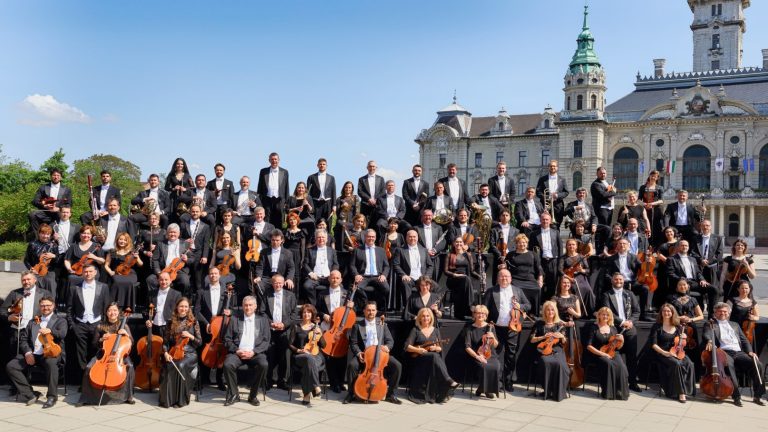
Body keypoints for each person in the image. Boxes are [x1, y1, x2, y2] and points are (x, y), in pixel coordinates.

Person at [5, 295, 67, 408]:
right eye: (43, 305)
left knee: (51, 363)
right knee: (11, 366)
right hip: (33, 353)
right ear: (39, 307)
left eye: (48, 305)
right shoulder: (33, 321)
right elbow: (23, 339)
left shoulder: (60, 320)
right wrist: (28, 353)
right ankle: (30, 394)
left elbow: (62, 334)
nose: (45, 308)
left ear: (53, 306)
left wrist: (51, 331)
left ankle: (52, 396)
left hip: (50, 353)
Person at [703, 302, 766, 406]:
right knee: (729, 367)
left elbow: (744, 340)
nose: (722, 313)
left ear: (728, 313)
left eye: (725, 311)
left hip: (739, 352)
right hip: (724, 352)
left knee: (757, 364)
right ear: (715, 313)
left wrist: (750, 351)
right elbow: (707, 333)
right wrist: (709, 341)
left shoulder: (734, 324)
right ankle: (736, 396)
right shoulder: (711, 324)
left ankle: (757, 396)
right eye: (720, 311)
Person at [343, 301, 402, 404]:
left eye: (373, 310)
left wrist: (387, 347)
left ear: (376, 311)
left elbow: (390, 341)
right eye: (369, 310)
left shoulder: (382, 324)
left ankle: (390, 394)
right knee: (352, 366)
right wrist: (358, 353)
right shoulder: (357, 325)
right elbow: (353, 343)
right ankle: (351, 393)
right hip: (365, 355)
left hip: (381, 356)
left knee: (397, 366)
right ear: (364, 311)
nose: (371, 312)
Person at [77, 302, 135, 406]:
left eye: (115, 310)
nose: (112, 312)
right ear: (106, 313)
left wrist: (126, 334)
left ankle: (128, 396)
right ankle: (85, 397)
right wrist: (101, 339)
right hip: (103, 354)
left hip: (120, 355)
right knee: (89, 367)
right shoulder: (100, 326)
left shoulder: (124, 325)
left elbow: (131, 342)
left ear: (119, 312)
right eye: (110, 310)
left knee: (130, 366)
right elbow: (94, 344)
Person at [483, 269, 531, 392]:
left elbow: (528, 305)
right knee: (496, 355)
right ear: (498, 278)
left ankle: (508, 381)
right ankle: (497, 382)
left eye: (507, 276)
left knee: (511, 355)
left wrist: (521, 307)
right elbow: (484, 308)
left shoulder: (517, 290)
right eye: (502, 276)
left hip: (512, 328)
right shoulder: (491, 291)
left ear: (511, 278)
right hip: (496, 328)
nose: (504, 278)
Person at [67, 264, 112, 385]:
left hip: (97, 324)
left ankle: (95, 379)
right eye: (85, 271)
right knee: (80, 354)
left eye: (90, 271)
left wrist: (104, 326)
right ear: (82, 273)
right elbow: (69, 309)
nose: (88, 274)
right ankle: (84, 382)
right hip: (80, 324)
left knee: (96, 352)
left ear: (96, 273)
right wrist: (73, 325)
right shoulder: (74, 288)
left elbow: (106, 308)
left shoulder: (104, 287)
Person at [222, 296, 270, 406]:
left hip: (255, 353)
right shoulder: (234, 319)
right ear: (242, 307)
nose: (248, 307)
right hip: (238, 353)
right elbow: (227, 339)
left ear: (255, 306)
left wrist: (254, 352)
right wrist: (237, 350)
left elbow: (266, 341)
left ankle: (252, 395)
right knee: (227, 364)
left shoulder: (262, 320)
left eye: (250, 305)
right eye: (245, 305)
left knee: (264, 364)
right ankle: (234, 394)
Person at [403, 308, 458, 404]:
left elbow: (440, 348)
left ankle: (443, 388)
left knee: (434, 356)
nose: (425, 318)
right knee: (434, 357)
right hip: (420, 359)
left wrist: (436, 348)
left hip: (432, 359)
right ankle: (448, 380)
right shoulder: (415, 330)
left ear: (431, 317)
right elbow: (407, 347)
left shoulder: (435, 330)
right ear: (419, 318)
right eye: (423, 316)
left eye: (428, 316)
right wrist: (418, 350)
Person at [600, 273, 642, 392]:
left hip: (629, 327)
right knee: (612, 354)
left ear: (623, 281)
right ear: (612, 281)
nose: (618, 281)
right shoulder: (606, 294)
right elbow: (608, 312)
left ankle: (632, 382)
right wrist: (622, 321)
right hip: (614, 327)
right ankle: (615, 382)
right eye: (616, 279)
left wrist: (630, 322)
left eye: (620, 279)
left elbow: (637, 311)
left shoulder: (630, 294)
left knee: (632, 356)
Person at [195, 266, 233, 390]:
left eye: (215, 273)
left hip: (221, 326)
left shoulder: (226, 291)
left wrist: (229, 312)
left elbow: (232, 309)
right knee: (204, 353)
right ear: (208, 276)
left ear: (219, 275)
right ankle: (203, 379)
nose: (213, 276)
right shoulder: (201, 291)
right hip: (206, 326)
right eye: (211, 274)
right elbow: (197, 311)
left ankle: (219, 380)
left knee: (221, 352)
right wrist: (206, 323)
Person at [159, 297, 202, 408]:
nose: (183, 309)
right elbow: (165, 342)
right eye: (181, 306)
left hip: (190, 354)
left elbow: (199, 342)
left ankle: (181, 399)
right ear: (177, 307)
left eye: (186, 306)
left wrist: (191, 336)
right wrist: (165, 353)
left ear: (189, 308)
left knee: (181, 365)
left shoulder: (194, 322)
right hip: (174, 352)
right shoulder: (170, 322)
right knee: (169, 365)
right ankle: (168, 399)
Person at [648, 303, 696, 403]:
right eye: (664, 311)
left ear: (672, 313)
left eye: (669, 311)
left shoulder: (678, 326)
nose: (666, 313)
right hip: (662, 352)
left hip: (677, 351)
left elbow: (681, 343)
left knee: (690, 364)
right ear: (661, 313)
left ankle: (688, 391)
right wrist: (664, 353)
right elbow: (653, 344)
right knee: (677, 364)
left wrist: (685, 338)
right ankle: (680, 392)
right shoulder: (657, 327)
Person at [316, 270, 354, 393]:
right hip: (328, 327)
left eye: (337, 278)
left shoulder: (347, 294)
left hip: (341, 329)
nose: (335, 280)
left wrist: (352, 306)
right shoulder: (322, 293)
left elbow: (353, 311)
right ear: (329, 279)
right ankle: (333, 383)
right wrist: (323, 315)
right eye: (333, 278)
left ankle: (341, 382)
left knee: (342, 355)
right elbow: (316, 310)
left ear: (341, 280)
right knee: (330, 356)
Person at [585, 306, 629, 400]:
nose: (605, 316)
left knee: (621, 366)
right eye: (603, 314)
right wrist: (603, 354)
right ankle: (608, 393)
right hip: (598, 353)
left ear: (610, 317)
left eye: (607, 315)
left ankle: (620, 393)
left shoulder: (613, 328)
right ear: (599, 315)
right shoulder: (594, 327)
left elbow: (618, 346)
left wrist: (622, 341)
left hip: (613, 352)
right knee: (609, 364)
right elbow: (589, 346)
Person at [529, 301, 570, 401]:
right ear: (545, 312)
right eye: (548, 310)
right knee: (546, 362)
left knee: (560, 364)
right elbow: (532, 339)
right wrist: (543, 336)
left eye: (552, 310)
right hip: (543, 349)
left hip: (557, 349)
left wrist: (562, 337)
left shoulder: (560, 324)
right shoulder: (539, 323)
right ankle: (547, 390)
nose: (550, 312)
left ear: (555, 311)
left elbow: (564, 342)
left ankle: (558, 391)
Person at [603, 238, 652, 321]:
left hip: (632, 282)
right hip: (618, 283)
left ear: (629, 246)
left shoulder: (634, 257)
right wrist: (614, 280)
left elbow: (643, 269)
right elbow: (606, 274)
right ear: (617, 246)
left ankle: (643, 314)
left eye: (624, 244)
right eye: (620, 244)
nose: (622, 245)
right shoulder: (611, 259)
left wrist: (647, 263)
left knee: (645, 288)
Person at [288, 304, 326, 406]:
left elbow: (323, 345)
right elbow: (290, 344)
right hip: (300, 355)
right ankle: (316, 386)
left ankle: (307, 395)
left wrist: (320, 334)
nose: (306, 314)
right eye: (304, 312)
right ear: (301, 313)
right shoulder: (296, 326)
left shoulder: (316, 327)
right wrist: (299, 350)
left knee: (308, 363)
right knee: (308, 358)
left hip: (316, 356)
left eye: (309, 312)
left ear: (312, 314)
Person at [666, 239, 716, 317]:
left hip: (694, 282)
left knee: (713, 289)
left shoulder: (693, 259)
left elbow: (698, 272)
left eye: (686, 245)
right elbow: (670, 273)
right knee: (685, 289)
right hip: (680, 283)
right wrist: (682, 279)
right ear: (678, 247)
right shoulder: (671, 259)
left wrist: (702, 279)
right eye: (682, 245)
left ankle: (711, 315)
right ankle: (689, 315)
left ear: (688, 247)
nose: (684, 247)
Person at [147, 224, 199, 298]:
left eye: (175, 232)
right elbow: (155, 259)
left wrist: (187, 259)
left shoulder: (185, 244)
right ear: (167, 233)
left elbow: (193, 259)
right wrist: (158, 272)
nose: (173, 234)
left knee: (185, 281)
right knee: (150, 279)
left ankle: (181, 302)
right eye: (171, 232)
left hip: (179, 271)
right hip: (164, 270)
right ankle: (154, 303)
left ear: (179, 233)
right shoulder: (160, 244)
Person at [264, 275, 298, 390]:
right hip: (271, 330)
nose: (278, 285)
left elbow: (294, 314)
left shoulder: (290, 296)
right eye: (275, 283)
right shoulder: (266, 294)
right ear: (272, 283)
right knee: (270, 356)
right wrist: (271, 323)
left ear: (283, 283)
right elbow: (262, 312)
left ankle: (282, 381)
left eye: (280, 283)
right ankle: (268, 381)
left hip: (285, 331)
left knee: (284, 358)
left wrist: (284, 324)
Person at [464, 305, 501, 399]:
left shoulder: (490, 327)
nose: (480, 315)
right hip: (476, 355)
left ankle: (481, 389)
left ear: (486, 315)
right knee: (484, 366)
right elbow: (467, 347)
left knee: (496, 366)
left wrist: (492, 337)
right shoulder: (469, 328)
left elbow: (496, 345)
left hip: (490, 354)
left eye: (483, 313)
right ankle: (486, 390)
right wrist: (477, 356)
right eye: (478, 313)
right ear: (474, 315)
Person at [350, 229, 390, 312]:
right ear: (365, 237)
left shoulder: (381, 250)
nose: (371, 238)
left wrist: (384, 275)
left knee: (386, 288)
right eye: (369, 236)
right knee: (356, 288)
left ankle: (377, 306)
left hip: (377, 276)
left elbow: (386, 266)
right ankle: (366, 304)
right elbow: (352, 265)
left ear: (375, 238)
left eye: (373, 237)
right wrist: (356, 275)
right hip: (363, 276)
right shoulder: (357, 250)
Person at [504, 234, 544, 314]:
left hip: (530, 280)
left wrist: (540, 279)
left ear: (527, 243)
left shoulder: (533, 254)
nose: (522, 244)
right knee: (515, 290)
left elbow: (539, 268)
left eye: (524, 242)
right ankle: (516, 313)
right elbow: (505, 267)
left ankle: (534, 314)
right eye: (520, 242)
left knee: (537, 289)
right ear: (516, 244)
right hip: (515, 280)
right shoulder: (511, 255)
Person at [104, 232, 143, 310]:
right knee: (117, 281)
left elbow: (141, 264)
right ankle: (115, 305)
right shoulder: (112, 251)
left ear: (127, 241)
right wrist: (111, 272)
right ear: (117, 240)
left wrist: (137, 257)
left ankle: (128, 307)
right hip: (116, 272)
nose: (122, 241)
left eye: (125, 240)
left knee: (129, 282)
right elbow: (106, 265)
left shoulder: (132, 251)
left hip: (130, 273)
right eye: (120, 239)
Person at [63, 225, 105, 296]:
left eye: (88, 233)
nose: (86, 235)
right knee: (71, 277)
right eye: (84, 233)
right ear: (80, 234)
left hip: (91, 272)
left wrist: (94, 257)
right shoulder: (74, 246)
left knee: (91, 277)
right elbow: (67, 260)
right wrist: (69, 269)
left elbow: (102, 261)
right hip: (76, 271)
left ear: (91, 235)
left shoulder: (96, 246)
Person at [444, 237, 479, 319]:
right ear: (453, 244)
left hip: (465, 280)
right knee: (466, 279)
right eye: (456, 242)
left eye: (460, 242)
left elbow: (472, 271)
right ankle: (471, 306)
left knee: (466, 279)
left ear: (463, 244)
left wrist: (480, 276)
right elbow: (445, 271)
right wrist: (454, 275)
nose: (458, 244)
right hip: (453, 279)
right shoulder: (449, 255)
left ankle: (462, 312)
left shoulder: (468, 255)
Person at [301, 229, 339, 306]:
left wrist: (333, 273)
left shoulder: (332, 251)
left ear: (327, 239)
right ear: (315, 238)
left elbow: (336, 264)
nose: (321, 239)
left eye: (323, 237)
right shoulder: (309, 250)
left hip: (329, 277)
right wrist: (311, 273)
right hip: (315, 277)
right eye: (319, 237)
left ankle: (332, 306)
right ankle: (314, 306)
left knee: (339, 286)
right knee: (307, 286)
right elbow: (305, 264)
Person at [29, 168, 72, 234]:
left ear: (61, 177)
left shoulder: (66, 189)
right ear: (51, 176)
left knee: (65, 215)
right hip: (45, 212)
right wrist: (44, 205)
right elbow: (34, 201)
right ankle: (38, 238)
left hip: (58, 213)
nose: (56, 177)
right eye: (54, 175)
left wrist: (58, 209)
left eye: (58, 175)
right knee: (32, 214)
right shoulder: (43, 187)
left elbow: (69, 204)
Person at [558, 239, 595, 315]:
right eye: (569, 245)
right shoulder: (563, 258)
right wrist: (569, 278)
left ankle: (588, 312)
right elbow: (560, 270)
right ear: (567, 246)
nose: (571, 246)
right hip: (568, 278)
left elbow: (588, 270)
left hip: (581, 277)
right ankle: (575, 312)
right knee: (574, 288)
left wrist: (582, 270)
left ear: (576, 246)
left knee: (587, 289)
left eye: (573, 244)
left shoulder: (581, 257)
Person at [23, 223, 59, 299]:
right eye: (43, 234)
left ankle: (51, 304)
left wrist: (54, 256)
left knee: (50, 282)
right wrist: (31, 268)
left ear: (50, 235)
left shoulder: (54, 245)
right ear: (39, 233)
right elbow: (26, 260)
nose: (45, 236)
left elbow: (58, 261)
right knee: (34, 281)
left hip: (49, 270)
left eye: (48, 234)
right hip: (36, 270)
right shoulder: (32, 244)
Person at [532, 212, 561, 300]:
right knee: (540, 283)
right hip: (540, 261)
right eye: (543, 219)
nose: (545, 221)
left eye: (547, 219)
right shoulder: (534, 234)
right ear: (540, 220)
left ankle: (551, 302)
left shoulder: (556, 232)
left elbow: (560, 248)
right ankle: (541, 303)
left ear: (550, 221)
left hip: (553, 261)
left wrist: (559, 262)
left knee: (552, 283)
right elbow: (531, 249)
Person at [536, 160, 569, 229]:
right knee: (545, 225)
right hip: (545, 206)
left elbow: (566, 192)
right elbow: (538, 192)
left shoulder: (562, 179)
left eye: (554, 166)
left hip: (558, 207)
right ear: (548, 167)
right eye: (551, 166)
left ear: (557, 168)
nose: (552, 167)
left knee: (556, 226)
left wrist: (557, 195)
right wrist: (548, 197)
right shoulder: (542, 179)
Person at [306, 158, 337, 226]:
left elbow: (333, 192)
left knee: (328, 222)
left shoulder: (331, 178)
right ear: (317, 165)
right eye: (320, 164)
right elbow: (308, 193)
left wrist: (334, 205)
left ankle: (328, 236)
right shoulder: (311, 177)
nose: (322, 165)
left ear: (326, 166)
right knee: (315, 222)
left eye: (324, 164)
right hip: (315, 203)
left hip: (328, 203)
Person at [638, 170, 664, 247]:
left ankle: (655, 246)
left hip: (656, 210)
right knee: (645, 225)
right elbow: (639, 199)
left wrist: (651, 204)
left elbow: (661, 200)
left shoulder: (660, 188)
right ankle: (645, 245)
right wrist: (645, 204)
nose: (653, 177)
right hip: (645, 209)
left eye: (655, 176)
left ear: (657, 178)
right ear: (649, 176)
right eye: (652, 175)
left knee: (656, 227)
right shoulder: (643, 187)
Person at [283, 211, 307, 287]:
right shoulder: (285, 232)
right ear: (288, 221)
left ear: (297, 220)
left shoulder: (302, 232)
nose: (292, 221)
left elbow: (303, 247)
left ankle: (295, 295)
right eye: (290, 219)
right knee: (286, 271)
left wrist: (302, 259)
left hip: (297, 255)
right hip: (286, 254)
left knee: (296, 274)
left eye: (294, 219)